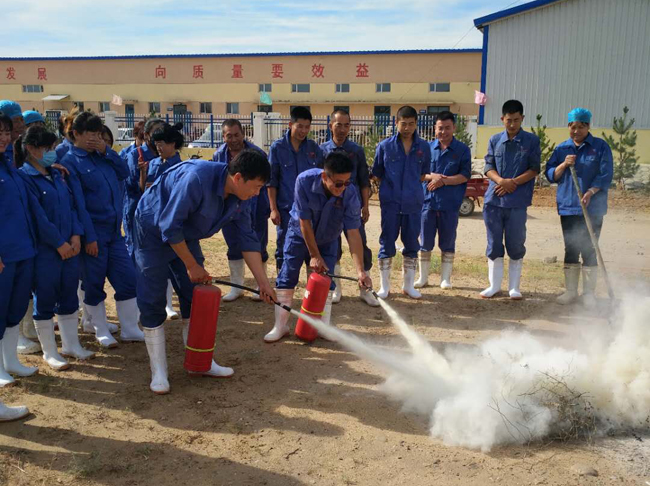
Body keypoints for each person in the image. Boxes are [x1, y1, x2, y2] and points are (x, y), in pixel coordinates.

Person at [133, 150, 276, 394]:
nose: (258, 192)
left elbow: (247, 238)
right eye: (257, 186)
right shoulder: (196, 179)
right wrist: (191, 265)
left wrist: (263, 283)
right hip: (152, 233)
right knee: (153, 296)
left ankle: (199, 362)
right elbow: (168, 226)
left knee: (195, 295)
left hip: (185, 235)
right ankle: (159, 371)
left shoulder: (241, 197)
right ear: (238, 178)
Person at [265, 152, 373, 343]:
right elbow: (304, 221)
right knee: (287, 276)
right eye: (338, 183)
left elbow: (353, 234)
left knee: (326, 280)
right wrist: (314, 255)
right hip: (298, 235)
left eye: (347, 182)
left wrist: (360, 271)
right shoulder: (304, 181)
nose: (343, 188)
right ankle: (280, 326)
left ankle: (323, 326)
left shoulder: (350, 193)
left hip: (328, 239)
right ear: (325, 176)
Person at [60, 112, 143, 347]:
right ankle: (100, 329)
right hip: (93, 233)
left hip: (114, 233)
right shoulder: (70, 162)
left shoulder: (103, 156)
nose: (96, 139)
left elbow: (124, 172)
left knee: (127, 278)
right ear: (76, 134)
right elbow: (78, 204)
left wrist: (106, 151)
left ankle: (129, 328)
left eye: (99, 134)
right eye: (91, 134)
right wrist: (89, 237)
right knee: (93, 283)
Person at [16, 126, 95, 370]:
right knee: (46, 297)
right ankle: (50, 352)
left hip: (70, 247)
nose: (53, 152)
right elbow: (37, 217)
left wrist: (75, 235)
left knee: (69, 294)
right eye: (48, 148)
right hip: (46, 251)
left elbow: (71, 207)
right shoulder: (25, 178)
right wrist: (58, 243)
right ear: (31, 149)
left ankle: (71, 345)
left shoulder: (58, 174)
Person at [545, 108, 613, 306]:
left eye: (581, 127)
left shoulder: (600, 147)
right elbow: (550, 174)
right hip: (568, 206)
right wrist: (563, 165)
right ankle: (571, 291)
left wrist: (591, 191)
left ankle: (589, 293)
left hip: (593, 208)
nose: (576, 131)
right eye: (573, 127)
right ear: (568, 126)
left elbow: (606, 174)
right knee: (571, 248)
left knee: (590, 247)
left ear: (588, 126)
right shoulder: (561, 149)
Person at [480, 100, 541, 299]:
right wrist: (501, 181)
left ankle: (514, 287)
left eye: (516, 120)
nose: (512, 124)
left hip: (517, 201)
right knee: (494, 243)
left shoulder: (531, 141)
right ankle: (494, 285)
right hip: (494, 201)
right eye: (509, 120)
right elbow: (488, 166)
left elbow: (534, 169)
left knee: (516, 243)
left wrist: (513, 182)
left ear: (522, 118)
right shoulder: (494, 139)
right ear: (502, 119)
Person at [371, 105, 431, 300]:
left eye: (411, 124)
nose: (407, 128)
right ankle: (384, 287)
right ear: (396, 123)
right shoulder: (384, 146)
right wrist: (391, 191)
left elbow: (423, 175)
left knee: (412, 243)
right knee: (386, 242)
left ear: (416, 124)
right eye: (403, 124)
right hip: (391, 204)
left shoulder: (424, 147)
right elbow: (377, 174)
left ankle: (408, 286)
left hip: (413, 204)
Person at [320, 109, 378, 307]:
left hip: (352, 205)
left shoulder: (356, 151)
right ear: (330, 126)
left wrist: (366, 207)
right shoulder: (322, 151)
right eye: (339, 125)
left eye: (346, 125)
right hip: (329, 207)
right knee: (331, 246)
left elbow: (364, 181)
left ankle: (365, 288)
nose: (342, 129)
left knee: (360, 243)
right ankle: (336, 288)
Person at [0, 113, 39, 387]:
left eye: (5, 132)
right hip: (3, 254)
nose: (5, 138)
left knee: (14, 309)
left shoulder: (9, 166)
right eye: (0, 133)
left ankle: (10, 361)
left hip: (22, 249)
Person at [213, 119, 270, 302]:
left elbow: (264, 182)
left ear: (243, 134)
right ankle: (236, 286)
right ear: (223, 137)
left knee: (257, 243)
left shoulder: (257, 154)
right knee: (233, 244)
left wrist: (266, 207)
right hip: (229, 209)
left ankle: (258, 285)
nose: (233, 139)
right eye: (229, 136)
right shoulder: (218, 156)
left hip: (255, 207)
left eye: (236, 135)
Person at [415, 111, 471, 289]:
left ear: (454, 128)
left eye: (447, 128)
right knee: (425, 242)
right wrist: (433, 177)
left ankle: (445, 279)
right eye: (440, 128)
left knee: (448, 242)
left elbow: (464, 176)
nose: (443, 132)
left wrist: (443, 181)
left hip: (449, 204)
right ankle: (423, 278)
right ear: (435, 128)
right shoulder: (426, 148)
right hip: (427, 204)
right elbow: (420, 174)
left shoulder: (462, 150)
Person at [268, 107, 324, 273]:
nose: (303, 131)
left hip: (309, 210)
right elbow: (272, 181)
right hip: (286, 210)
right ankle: (283, 288)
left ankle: (310, 290)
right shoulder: (277, 148)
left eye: (307, 127)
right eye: (300, 126)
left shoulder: (314, 149)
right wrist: (273, 209)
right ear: (290, 124)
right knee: (284, 248)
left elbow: (322, 179)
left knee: (310, 248)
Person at [146, 122, 186, 319]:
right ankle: (163, 305)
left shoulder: (180, 167)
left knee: (176, 268)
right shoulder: (153, 164)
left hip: (172, 222)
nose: (159, 147)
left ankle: (174, 305)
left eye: (163, 143)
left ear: (173, 144)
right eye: (156, 143)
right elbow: (146, 189)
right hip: (152, 222)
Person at [123, 118, 165, 258]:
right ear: (146, 135)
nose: (160, 136)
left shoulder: (164, 154)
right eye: (156, 132)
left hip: (158, 214)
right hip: (136, 212)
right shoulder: (135, 155)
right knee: (136, 252)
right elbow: (133, 188)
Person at [0, 100, 25, 165]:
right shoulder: (3, 150)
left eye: (22, 119)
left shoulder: (22, 148)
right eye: (15, 121)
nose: (21, 124)